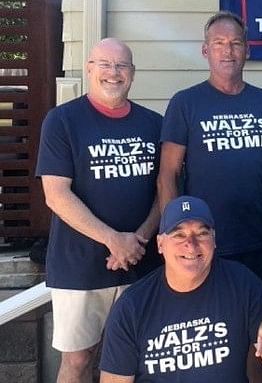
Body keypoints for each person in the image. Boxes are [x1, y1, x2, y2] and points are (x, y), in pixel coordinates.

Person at [36, 38, 161, 382]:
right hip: (79, 266)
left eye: (121, 66)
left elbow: (165, 191)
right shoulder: (62, 121)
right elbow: (56, 195)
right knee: (78, 361)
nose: (113, 73)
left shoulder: (154, 124)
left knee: (139, 359)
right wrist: (113, 240)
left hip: (142, 262)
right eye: (105, 64)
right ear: (89, 68)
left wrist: (137, 240)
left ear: (132, 74)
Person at [157, 11, 262, 287]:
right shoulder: (185, 103)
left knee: (260, 323)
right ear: (205, 50)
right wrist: (174, 240)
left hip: (260, 241)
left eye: (235, 43)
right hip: (204, 246)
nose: (227, 51)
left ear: (247, 50)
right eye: (219, 43)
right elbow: (167, 176)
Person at [99, 196, 262, 382]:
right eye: (179, 234)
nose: (191, 245)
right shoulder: (132, 306)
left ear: (214, 239)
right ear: (160, 244)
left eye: (201, 233)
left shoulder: (243, 284)